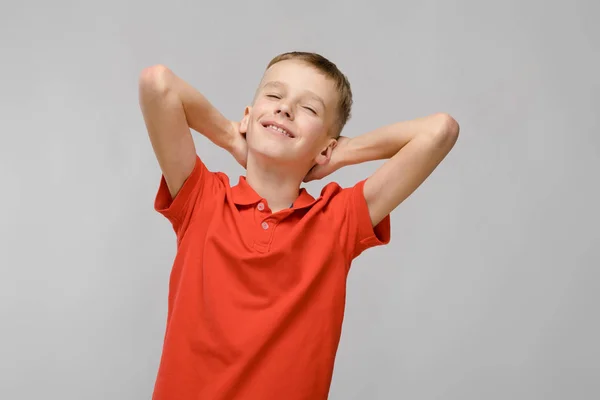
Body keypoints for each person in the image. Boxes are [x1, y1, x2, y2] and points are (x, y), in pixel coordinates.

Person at [138, 51, 459, 400]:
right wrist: (231, 136)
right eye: (274, 96)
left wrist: (343, 152)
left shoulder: (337, 221)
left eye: (309, 109)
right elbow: (157, 84)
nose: (285, 109)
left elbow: (440, 130)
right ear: (249, 115)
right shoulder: (202, 199)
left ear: (326, 147)